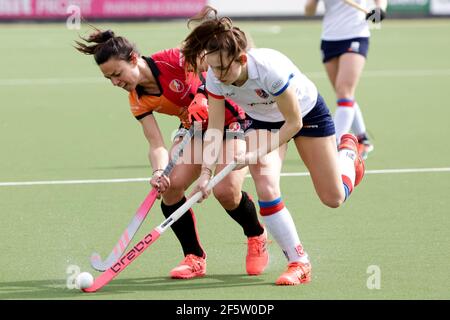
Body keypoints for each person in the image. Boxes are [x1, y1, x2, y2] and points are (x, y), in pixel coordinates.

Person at [182, 6, 365, 285]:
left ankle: (349, 154)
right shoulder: (215, 78)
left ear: (241, 58)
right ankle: (299, 262)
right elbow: (215, 127)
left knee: (333, 198)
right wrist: (206, 173)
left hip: (305, 115)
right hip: (262, 120)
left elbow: (293, 124)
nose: (217, 75)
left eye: (222, 67)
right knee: (266, 185)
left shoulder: (269, 70)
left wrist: (257, 152)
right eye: (213, 68)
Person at [74, 28, 269, 279]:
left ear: (133, 59)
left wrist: (201, 95)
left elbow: (210, 66)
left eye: (117, 74)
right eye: (109, 78)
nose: (115, 82)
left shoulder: (172, 59)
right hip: (196, 130)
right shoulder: (137, 100)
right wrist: (158, 171)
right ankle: (194, 257)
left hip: (233, 120)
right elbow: (155, 144)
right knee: (170, 187)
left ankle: (256, 235)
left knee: (226, 192)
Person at [304, 0, 387, 159]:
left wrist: (379, 9)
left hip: (356, 35)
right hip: (329, 38)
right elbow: (309, 11)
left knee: (344, 92)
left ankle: (334, 145)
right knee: (344, 95)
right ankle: (363, 139)